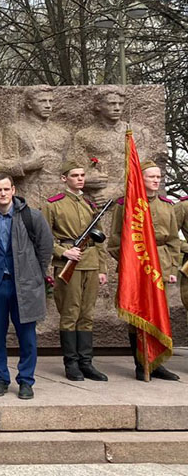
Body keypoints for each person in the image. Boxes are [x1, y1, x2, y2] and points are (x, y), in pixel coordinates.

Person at [0, 173, 54, 399]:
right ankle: (1, 378)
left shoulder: (31, 216)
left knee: (27, 335)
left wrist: (34, 274)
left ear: (13, 190)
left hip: (23, 285)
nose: (3, 194)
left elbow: (45, 249)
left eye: (6, 189)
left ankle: (26, 380)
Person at [108, 161, 184, 381]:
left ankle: (157, 363)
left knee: (159, 313)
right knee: (137, 316)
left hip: (160, 266)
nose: (156, 180)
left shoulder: (166, 205)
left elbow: (172, 240)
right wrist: (129, 265)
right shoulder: (126, 204)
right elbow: (115, 240)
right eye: (151, 177)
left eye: (159, 177)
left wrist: (170, 267)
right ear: (140, 179)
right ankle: (141, 365)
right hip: (136, 268)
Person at [42, 161, 109, 381]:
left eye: (82, 175)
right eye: (74, 175)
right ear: (64, 179)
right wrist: (63, 252)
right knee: (70, 314)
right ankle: (71, 364)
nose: (80, 179)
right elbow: (43, 239)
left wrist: (102, 268)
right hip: (68, 263)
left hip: (90, 262)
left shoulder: (90, 205)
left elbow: (98, 239)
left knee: (87, 315)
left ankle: (86, 363)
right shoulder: (53, 205)